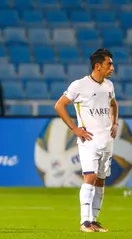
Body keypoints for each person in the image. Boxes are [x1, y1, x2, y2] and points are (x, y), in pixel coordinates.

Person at [54, 48, 118, 233]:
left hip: (107, 139)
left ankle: (94, 220)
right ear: (97, 66)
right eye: (109, 64)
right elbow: (59, 105)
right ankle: (84, 222)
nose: (112, 68)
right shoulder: (79, 85)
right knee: (89, 177)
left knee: (100, 180)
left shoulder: (108, 86)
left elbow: (114, 104)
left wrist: (114, 123)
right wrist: (75, 129)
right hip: (89, 139)